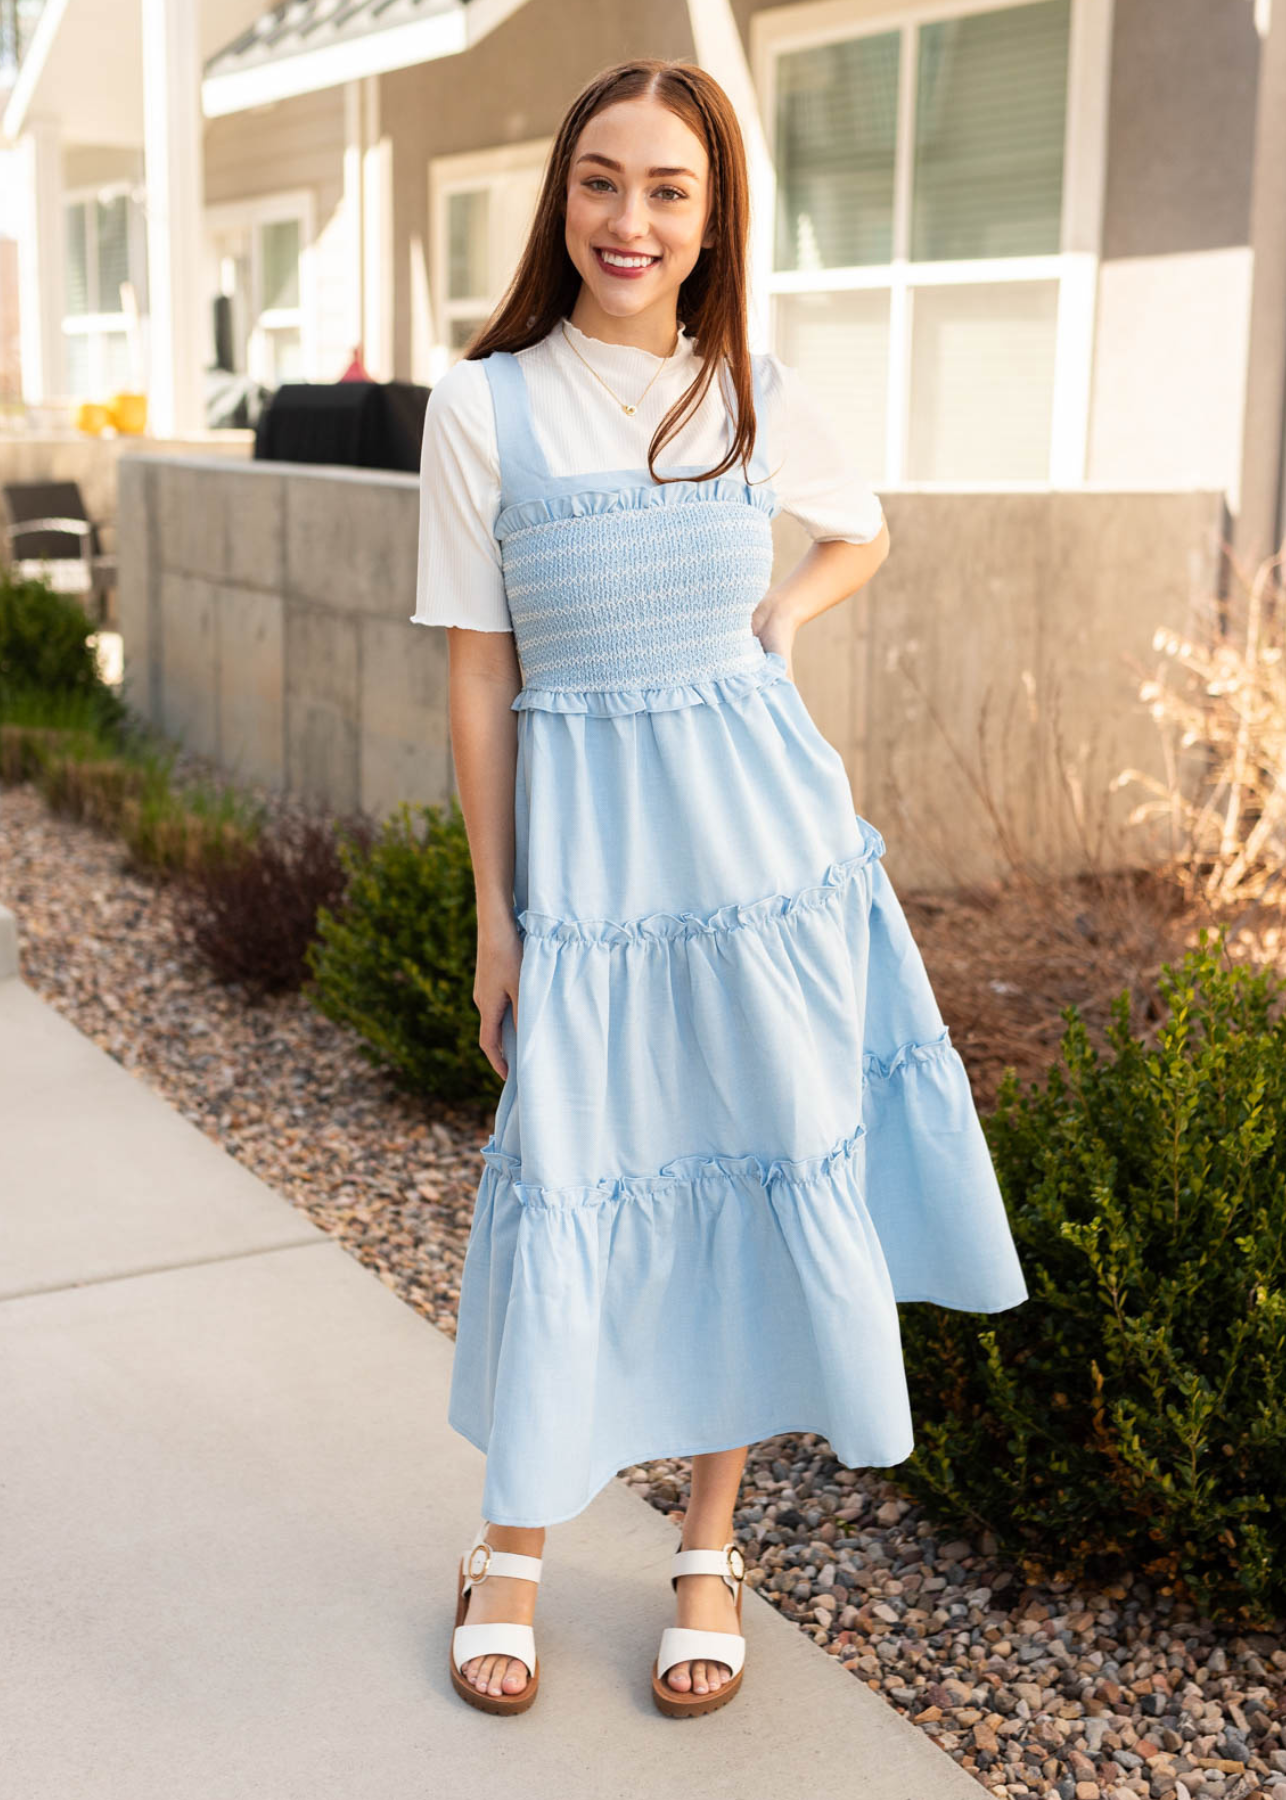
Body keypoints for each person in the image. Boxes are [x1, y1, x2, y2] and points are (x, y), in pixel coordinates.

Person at [411, 57, 1029, 1720]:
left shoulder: (748, 384)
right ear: (562, 196)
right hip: (596, 863)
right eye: (600, 181)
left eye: (667, 189)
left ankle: (708, 1542)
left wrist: (780, 619)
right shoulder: (482, 407)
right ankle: (513, 1544)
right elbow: (480, 677)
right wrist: (496, 913)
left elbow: (863, 531)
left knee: (752, 1161)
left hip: (771, 850)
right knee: (578, 1169)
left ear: (709, 217)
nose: (629, 218)